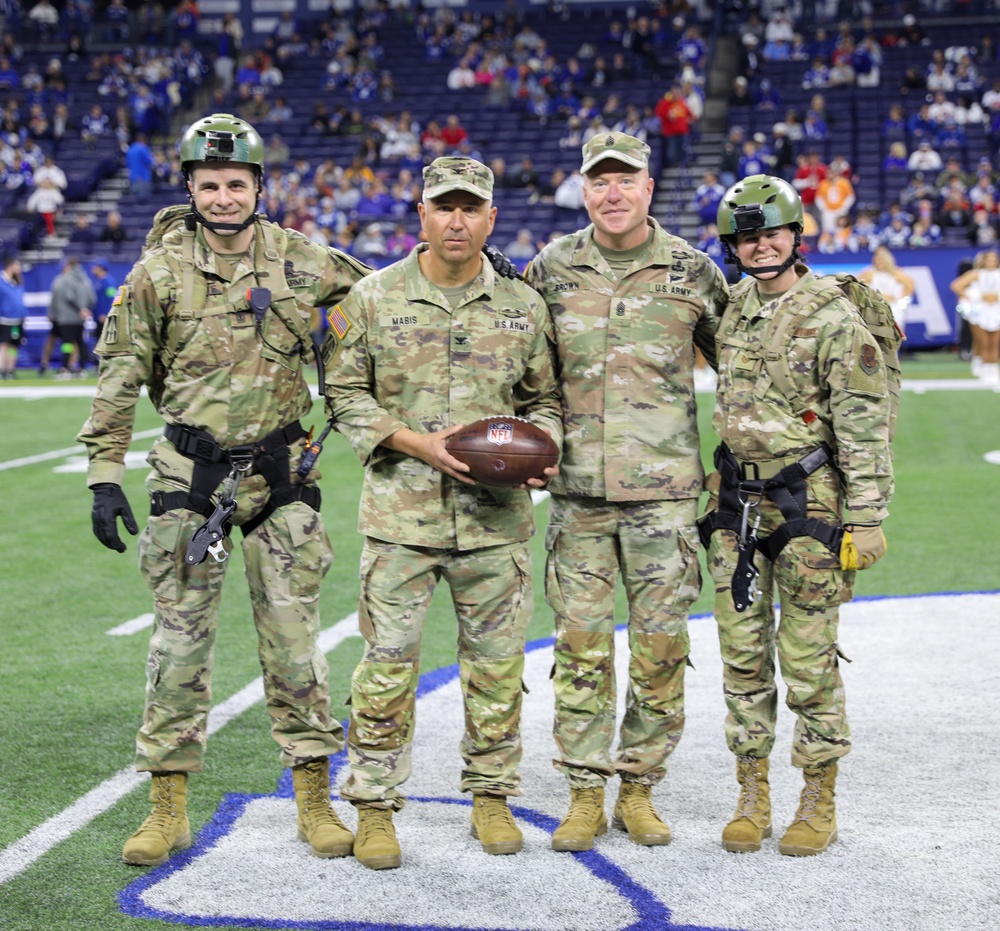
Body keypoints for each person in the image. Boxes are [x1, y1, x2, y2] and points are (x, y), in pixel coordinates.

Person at [75, 113, 374, 869]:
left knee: (297, 645)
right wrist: (103, 476)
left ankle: (314, 800)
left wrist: (470, 271)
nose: (222, 197)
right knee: (177, 646)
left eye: (235, 183)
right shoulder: (156, 273)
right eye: (208, 184)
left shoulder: (303, 261)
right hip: (188, 477)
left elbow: (384, 304)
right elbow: (119, 376)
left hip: (281, 474)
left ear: (258, 187)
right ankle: (165, 808)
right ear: (190, 188)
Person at [321, 156, 563, 870]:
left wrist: (545, 448)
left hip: (496, 524)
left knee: (495, 668)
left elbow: (545, 398)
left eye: (471, 207)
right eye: (443, 206)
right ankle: (373, 805)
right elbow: (344, 394)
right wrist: (414, 442)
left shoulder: (524, 304)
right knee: (386, 668)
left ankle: (490, 796)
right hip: (401, 521)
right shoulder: (369, 298)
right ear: (420, 214)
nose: (457, 220)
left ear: (491, 218)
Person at [524, 132, 728, 853]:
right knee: (579, 645)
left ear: (649, 185)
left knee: (661, 646)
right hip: (577, 492)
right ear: (584, 189)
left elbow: (743, 359)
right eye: (599, 180)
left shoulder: (694, 269)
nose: (613, 192)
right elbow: (522, 366)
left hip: (665, 493)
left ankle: (638, 785)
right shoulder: (549, 268)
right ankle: (584, 791)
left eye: (626, 179)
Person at [702, 174, 893, 858]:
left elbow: (864, 424)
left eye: (770, 233)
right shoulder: (730, 309)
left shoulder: (833, 315)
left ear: (796, 234)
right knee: (742, 657)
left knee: (808, 658)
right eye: (746, 237)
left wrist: (868, 517)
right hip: (734, 507)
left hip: (810, 505)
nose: (759, 246)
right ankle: (751, 794)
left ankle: (819, 795)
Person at [951, 248, 1000, 382]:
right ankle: (984, 367)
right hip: (981, 310)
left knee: (994, 342)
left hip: (996, 310)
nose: (991, 262)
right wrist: (976, 297)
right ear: (983, 261)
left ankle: (993, 369)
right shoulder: (976, 274)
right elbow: (956, 286)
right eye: (988, 259)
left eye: (994, 259)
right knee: (983, 341)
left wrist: (996, 297)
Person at [44, 256, 96, 376]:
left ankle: (65, 367)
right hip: (81, 319)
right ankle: (82, 368)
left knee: (67, 343)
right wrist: (85, 310)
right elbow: (92, 298)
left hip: (67, 317)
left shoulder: (65, 279)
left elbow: (68, 297)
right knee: (81, 342)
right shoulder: (86, 279)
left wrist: (79, 309)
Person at [859, 245, 915, 334]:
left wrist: (900, 296)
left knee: (894, 331)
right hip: (875, 307)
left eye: (882, 260)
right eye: (878, 260)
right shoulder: (870, 272)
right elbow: (857, 284)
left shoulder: (896, 273)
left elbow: (911, 285)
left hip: (893, 306)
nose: (880, 263)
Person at [0, 254, 25, 379]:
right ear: (10, 266)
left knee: (14, 346)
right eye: (17, 265)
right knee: (4, 344)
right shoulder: (1, 281)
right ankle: (2, 369)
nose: (19, 268)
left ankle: (11, 369)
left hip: (18, 320)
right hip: (5, 320)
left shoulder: (17, 281)